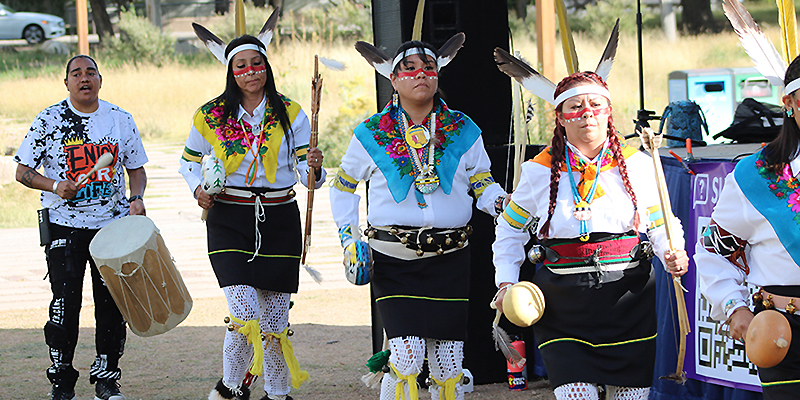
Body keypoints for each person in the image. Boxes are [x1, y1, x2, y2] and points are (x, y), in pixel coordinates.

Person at [491, 71, 689, 400]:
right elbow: (510, 229)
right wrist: (506, 281)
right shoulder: (540, 170)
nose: (587, 113)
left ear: (609, 111)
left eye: (596, 105)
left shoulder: (637, 165)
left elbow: (661, 222)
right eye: (576, 107)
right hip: (562, 304)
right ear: (560, 117)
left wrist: (672, 251)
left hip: (628, 299)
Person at [330, 36, 508, 400]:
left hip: (450, 258)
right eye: (409, 69)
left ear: (438, 75)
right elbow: (343, 186)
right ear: (393, 79)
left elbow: (482, 182)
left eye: (428, 68)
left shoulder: (462, 129)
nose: (420, 74)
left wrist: (503, 203)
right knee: (406, 355)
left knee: (448, 362)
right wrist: (349, 237)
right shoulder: (372, 132)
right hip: (393, 258)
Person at [180, 25, 323, 400]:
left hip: (280, 218)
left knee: (275, 319)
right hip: (229, 217)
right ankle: (230, 388)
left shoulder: (291, 112)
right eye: (240, 65)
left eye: (256, 63)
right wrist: (198, 189)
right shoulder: (210, 114)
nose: (250, 71)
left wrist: (316, 167)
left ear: (266, 66)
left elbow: (309, 175)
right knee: (244, 311)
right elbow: (188, 162)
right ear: (231, 71)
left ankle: (277, 393)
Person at [14, 55, 148, 400]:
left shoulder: (119, 119)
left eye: (91, 73)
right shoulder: (49, 119)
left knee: (112, 305)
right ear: (66, 83)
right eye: (76, 74)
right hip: (64, 226)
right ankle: (62, 383)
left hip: (113, 228)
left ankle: (106, 379)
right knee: (65, 305)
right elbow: (22, 171)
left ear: (100, 80)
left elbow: (136, 169)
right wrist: (55, 185)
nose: (84, 78)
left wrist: (136, 198)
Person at [694, 55, 800, 400]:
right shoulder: (754, 177)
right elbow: (714, 251)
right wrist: (734, 306)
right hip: (784, 332)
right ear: (789, 103)